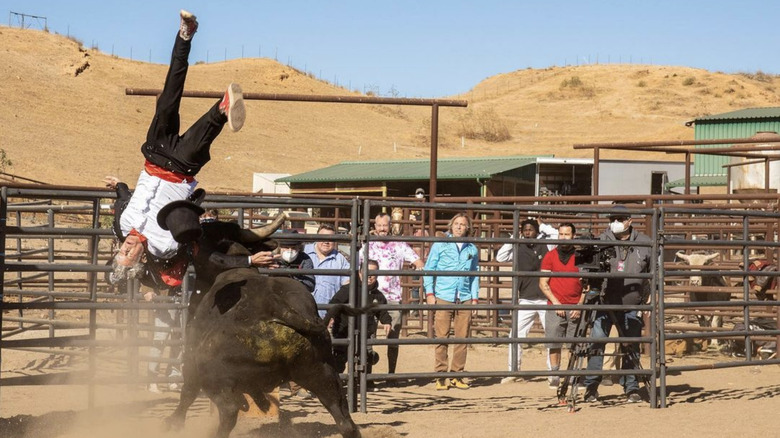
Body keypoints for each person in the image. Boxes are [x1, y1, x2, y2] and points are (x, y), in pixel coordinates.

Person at [105, 9, 246, 287]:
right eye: (129, 253)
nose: (126, 247)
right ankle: (224, 107)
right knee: (206, 130)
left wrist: (118, 184)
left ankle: (185, 34)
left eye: (121, 250)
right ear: (142, 258)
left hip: (156, 154)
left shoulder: (122, 225)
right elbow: (188, 234)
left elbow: (125, 199)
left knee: (169, 95)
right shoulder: (163, 246)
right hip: (180, 170)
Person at [583, 205, 652, 404]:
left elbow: (653, 272)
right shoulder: (601, 241)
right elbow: (589, 268)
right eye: (613, 218)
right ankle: (591, 387)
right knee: (597, 343)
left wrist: (649, 295)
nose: (616, 222)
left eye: (620, 218)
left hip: (632, 303)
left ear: (630, 220)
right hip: (604, 301)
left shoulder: (645, 243)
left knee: (630, 345)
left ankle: (631, 387)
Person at [423, 212, 480, 390]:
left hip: (463, 297)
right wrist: (430, 293)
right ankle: (441, 375)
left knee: (462, 338)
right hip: (443, 295)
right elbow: (429, 268)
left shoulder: (472, 249)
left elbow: (474, 275)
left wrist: (474, 297)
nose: (459, 227)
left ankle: (457, 374)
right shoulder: (440, 244)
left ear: (467, 227)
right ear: (451, 225)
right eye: (456, 223)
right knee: (442, 336)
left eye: (462, 224)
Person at [365, 212, 424, 378]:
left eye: (385, 225)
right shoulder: (367, 245)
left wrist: (417, 265)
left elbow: (417, 260)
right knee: (369, 336)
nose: (382, 229)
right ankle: (368, 377)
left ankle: (391, 374)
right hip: (371, 296)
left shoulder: (399, 245)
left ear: (390, 226)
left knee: (393, 337)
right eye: (379, 226)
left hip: (392, 297)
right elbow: (358, 267)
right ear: (374, 227)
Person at [495, 219, 554, 384]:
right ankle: (513, 370)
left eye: (531, 229)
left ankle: (553, 373)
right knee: (515, 335)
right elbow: (500, 257)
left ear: (537, 231)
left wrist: (543, 226)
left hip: (545, 298)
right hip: (526, 298)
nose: (528, 232)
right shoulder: (518, 247)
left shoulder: (547, 245)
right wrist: (514, 237)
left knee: (551, 336)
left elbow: (557, 236)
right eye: (525, 230)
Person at [538, 223, 584, 389]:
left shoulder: (580, 256)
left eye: (567, 234)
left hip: (575, 306)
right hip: (555, 305)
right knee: (554, 342)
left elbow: (586, 283)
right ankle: (555, 374)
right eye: (561, 234)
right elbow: (543, 283)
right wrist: (555, 303)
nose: (564, 237)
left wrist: (579, 305)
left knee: (576, 343)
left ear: (573, 235)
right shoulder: (550, 256)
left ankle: (573, 375)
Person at [330, 259, 392, 376]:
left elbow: (382, 311)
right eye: (366, 271)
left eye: (373, 273)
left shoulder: (377, 295)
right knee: (340, 357)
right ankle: (336, 380)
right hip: (345, 329)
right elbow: (335, 302)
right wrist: (331, 317)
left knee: (365, 356)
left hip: (365, 332)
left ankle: (365, 380)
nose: (369, 276)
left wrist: (387, 321)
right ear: (360, 272)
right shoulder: (349, 289)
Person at [304, 224, 350, 318]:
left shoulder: (341, 260)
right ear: (316, 237)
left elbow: (347, 286)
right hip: (302, 313)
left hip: (327, 317)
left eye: (330, 238)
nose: (326, 241)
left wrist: (334, 312)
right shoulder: (303, 252)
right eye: (323, 237)